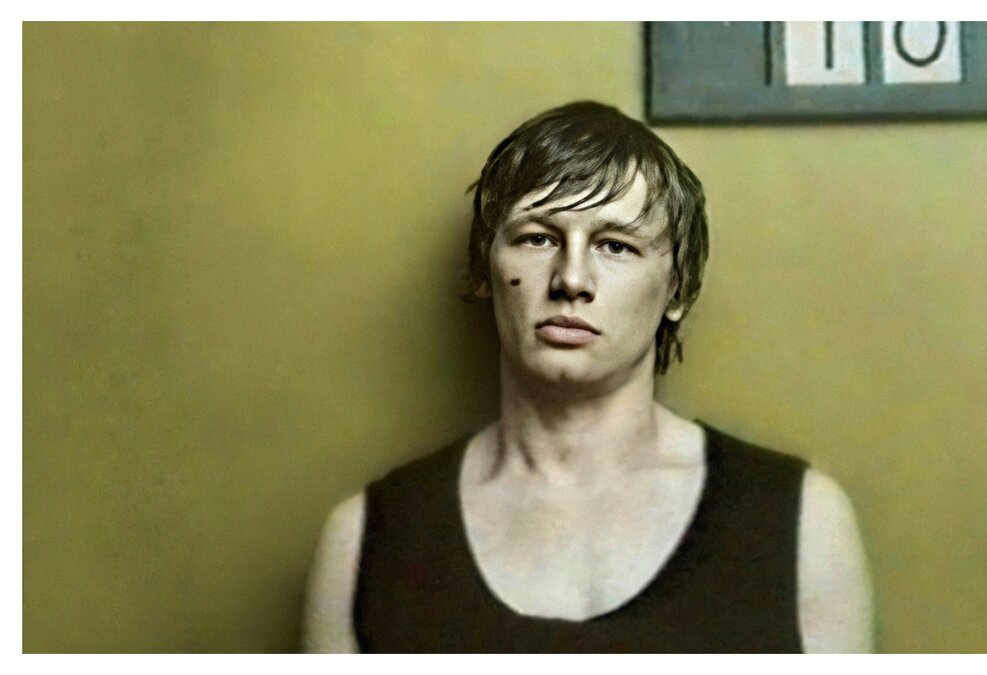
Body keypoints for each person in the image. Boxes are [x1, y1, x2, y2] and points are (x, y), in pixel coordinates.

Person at [302, 101, 873, 653]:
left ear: (677, 289)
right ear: (484, 267)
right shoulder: (368, 538)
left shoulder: (801, 522)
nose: (572, 279)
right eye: (538, 238)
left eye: (615, 246)